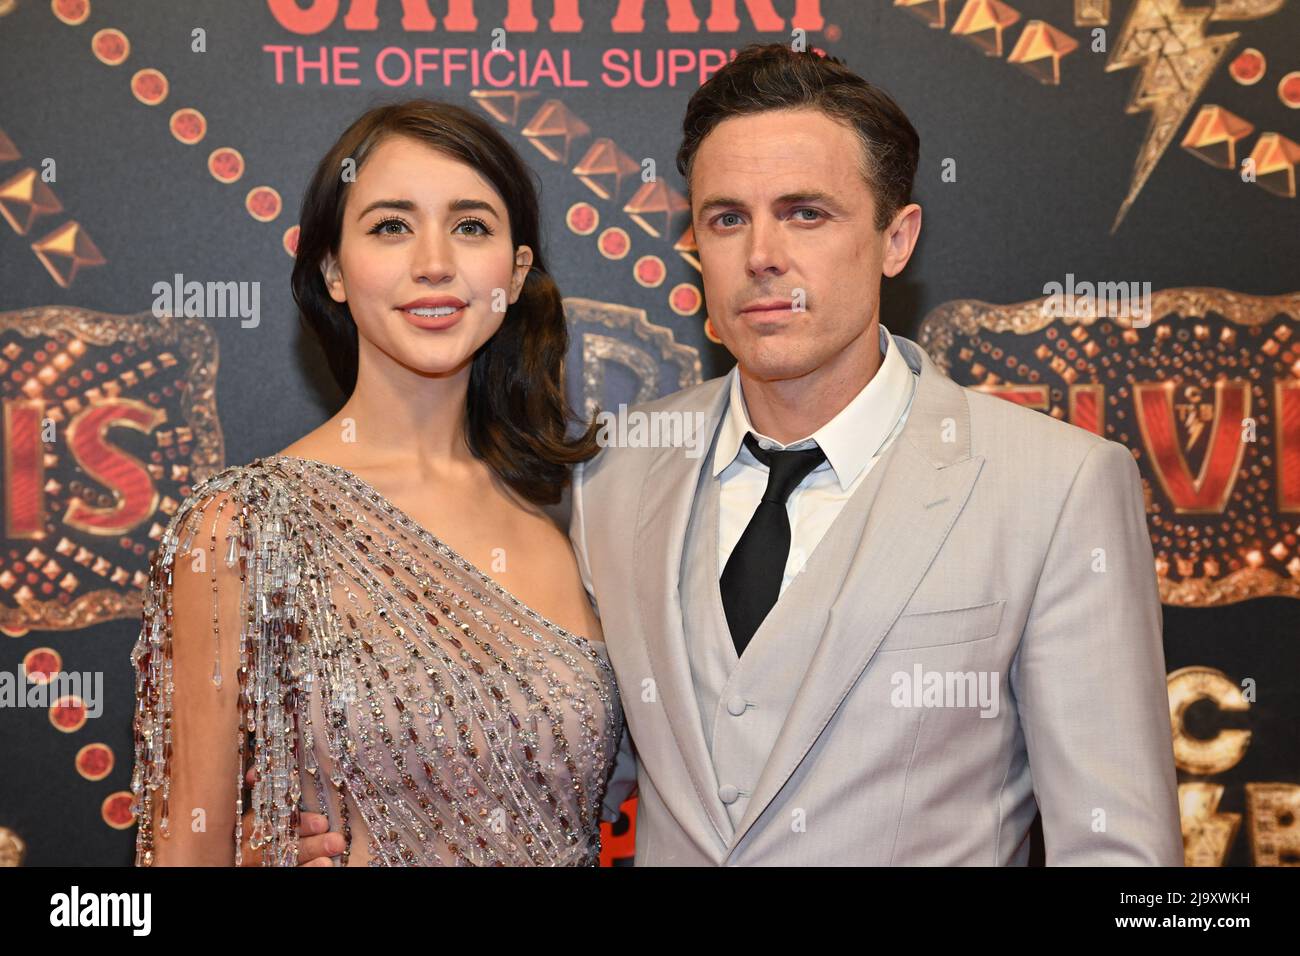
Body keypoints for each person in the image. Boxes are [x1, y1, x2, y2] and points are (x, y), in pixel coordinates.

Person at [295, 43, 1184, 866]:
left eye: (806, 214)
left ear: (897, 237)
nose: (763, 256)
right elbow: (563, 777)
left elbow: (1119, 854)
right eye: (727, 219)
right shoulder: (613, 474)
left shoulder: (1055, 486)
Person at [129, 99, 623, 866]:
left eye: (472, 226)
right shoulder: (244, 525)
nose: (434, 261)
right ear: (332, 268)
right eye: (391, 226)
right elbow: (179, 852)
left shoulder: (569, 518)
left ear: (517, 272)